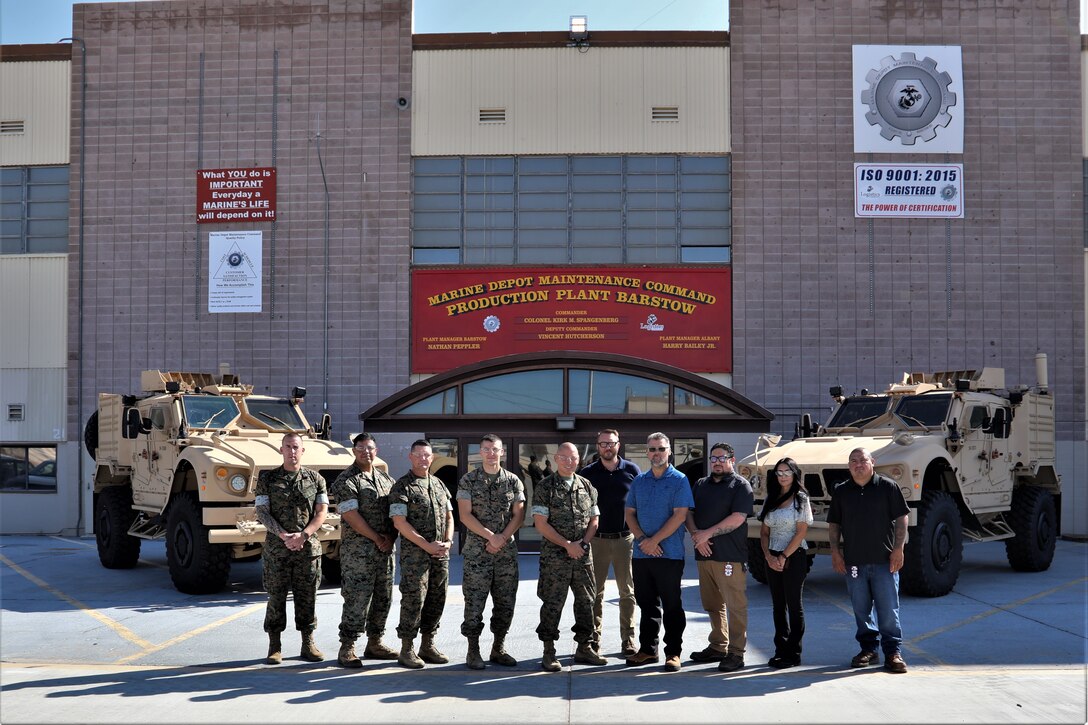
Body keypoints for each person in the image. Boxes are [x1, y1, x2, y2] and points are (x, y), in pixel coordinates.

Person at [827, 447, 910, 674]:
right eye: (853, 461)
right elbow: (834, 524)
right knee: (861, 610)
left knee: (888, 610)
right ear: (849, 466)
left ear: (872, 462)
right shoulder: (842, 492)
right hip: (854, 563)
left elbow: (902, 518)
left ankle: (892, 652)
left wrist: (898, 549)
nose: (858, 464)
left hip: (885, 561)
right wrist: (835, 552)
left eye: (862, 460)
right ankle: (869, 650)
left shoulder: (887, 487)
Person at [532, 442, 608, 671]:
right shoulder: (546, 487)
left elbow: (594, 519)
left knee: (587, 602)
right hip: (555, 558)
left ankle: (584, 648)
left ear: (578, 459)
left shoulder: (587, 485)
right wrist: (567, 545)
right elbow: (540, 524)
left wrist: (582, 544)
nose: (569, 461)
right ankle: (549, 651)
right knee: (553, 603)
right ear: (556, 458)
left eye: (573, 457)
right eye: (564, 457)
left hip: (583, 556)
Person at [254, 432, 329, 664]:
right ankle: (274, 646)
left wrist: (304, 535)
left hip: (307, 549)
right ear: (281, 450)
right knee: (276, 596)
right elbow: (262, 511)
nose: (292, 451)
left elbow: (321, 512)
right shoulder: (267, 479)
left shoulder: (316, 480)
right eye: (288, 447)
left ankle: (308, 643)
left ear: (302, 450)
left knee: (307, 597)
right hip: (278, 548)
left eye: (296, 447)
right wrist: (283, 534)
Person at [625, 432, 694, 673]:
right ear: (647, 452)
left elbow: (680, 515)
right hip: (642, 554)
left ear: (669, 451)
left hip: (670, 554)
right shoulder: (639, 481)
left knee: (672, 605)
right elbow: (629, 514)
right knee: (646, 604)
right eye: (652, 449)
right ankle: (647, 650)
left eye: (661, 449)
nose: (657, 453)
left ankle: (673, 652)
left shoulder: (679, 480)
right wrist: (644, 540)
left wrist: (654, 540)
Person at [329, 432, 399, 668]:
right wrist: (378, 538)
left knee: (383, 598)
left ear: (376, 450)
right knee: (357, 598)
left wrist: (391, 537)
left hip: (385, 551)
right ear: (354, 451)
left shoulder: (386, 480)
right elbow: (351, 516)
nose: (365, 452)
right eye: (360, 448)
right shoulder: (346, 481)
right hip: (359, 554)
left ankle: (375, 642)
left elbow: (395, 514)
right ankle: (347, 646)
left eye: (369, 448)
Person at [457, 434, 526, 670]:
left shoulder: (514, 481)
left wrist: (502, 538)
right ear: (480, 452)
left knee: (505, 603)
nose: (490, 453)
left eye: (495, 449)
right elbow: (465, 515)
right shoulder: (468, 480)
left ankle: (499, 647)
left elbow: (519, 514)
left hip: (505, 554)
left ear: (502, 452)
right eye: (486, 449)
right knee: (474, 603)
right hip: (478, 554)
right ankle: (473, 650)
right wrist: (491, 537)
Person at [685, 442, 753, 672]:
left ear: (732, 460)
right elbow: (689, 513)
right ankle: (718, 646)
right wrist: (696, 536)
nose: (717, 462)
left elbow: (738, 518)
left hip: (729, 557)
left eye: (722, 458)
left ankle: (736, 653)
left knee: (735, 606)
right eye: (713, 458)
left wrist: (707, 534)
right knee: (712, 605)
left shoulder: (740, 485)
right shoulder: (701, 484)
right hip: (704, 555)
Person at [389, 439, 454, 669]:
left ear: (432, 457)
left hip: (439, 555)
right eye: (418, 455)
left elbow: (449, 515)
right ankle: (407, 649)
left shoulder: (438, 484)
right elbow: (399, 522)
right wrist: (426, 545)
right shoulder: (402, 486)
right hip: (416, 557)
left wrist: (448, 541)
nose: (423, 459)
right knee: (414, 600)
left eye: (427, 455)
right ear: (410, 457)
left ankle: (428, 644)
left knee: (437, 599)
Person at [578, 428, 641, 657]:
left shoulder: (632, 470)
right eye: (603, 443)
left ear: (618, 445)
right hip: (597, 540)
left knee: (628, 592)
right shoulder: (587, 473)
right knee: (596, 593)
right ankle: (594, 639)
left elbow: (639, 503)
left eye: (611, 443)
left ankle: (629, 639)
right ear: (597, 446)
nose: (607, 447)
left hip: (625, 539)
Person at [758, 456, 813, 669]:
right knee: (778, 606)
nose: (782, 477)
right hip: (772, 555)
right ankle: (780, 650)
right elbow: (764, 532)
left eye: (787, 472)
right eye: (779, 473)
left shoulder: (801, 499)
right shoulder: (770, 498)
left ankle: (793, 653)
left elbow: (801, 532)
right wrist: (768, 556)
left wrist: (782, 557)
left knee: (794, 605)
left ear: (794, 474)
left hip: (794, 556)